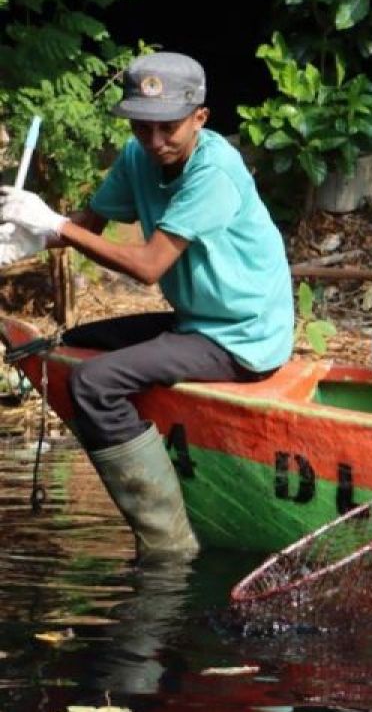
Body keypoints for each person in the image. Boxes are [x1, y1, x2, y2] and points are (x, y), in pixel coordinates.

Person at [0, 51, 295, 558]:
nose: (155, 142)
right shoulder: (139, 156)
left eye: (168, 128)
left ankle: (168, 541)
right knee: (76, 344)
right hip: (196, 321)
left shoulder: (214, 173)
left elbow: (148, 266)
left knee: (94, 383)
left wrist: (54, 225)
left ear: (200, 118)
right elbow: (87, 224)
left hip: (242, 335)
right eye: (142, 127)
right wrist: (26, 236)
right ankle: (151, 444)